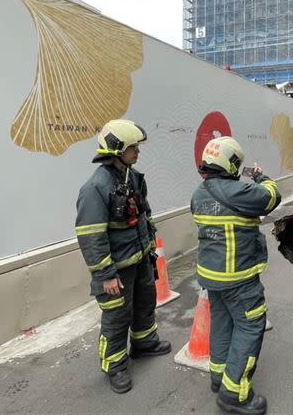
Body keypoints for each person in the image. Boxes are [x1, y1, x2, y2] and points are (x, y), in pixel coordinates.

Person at [74, 119, 171, 394]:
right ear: (116, 150)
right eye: (132, 147)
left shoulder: (133, 177)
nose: (137, 152)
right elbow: (91, 236)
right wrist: (105, 275)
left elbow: (144, 213)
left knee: (145, 301)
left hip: (140, 258)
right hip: (116, 269)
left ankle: (144, 343)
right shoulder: (95, 188)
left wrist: (148, 244)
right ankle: (114, 364)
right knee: (117, 316)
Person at [191, 136, 281, 415]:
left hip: (212, 276)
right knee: (250, 326)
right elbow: (271, 196)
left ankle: (219, 378)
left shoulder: (199, 193)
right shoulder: (238, 192)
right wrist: (260, 176)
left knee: (223, 323)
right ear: (230, 164)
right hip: (239, 279)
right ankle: (234, 393)